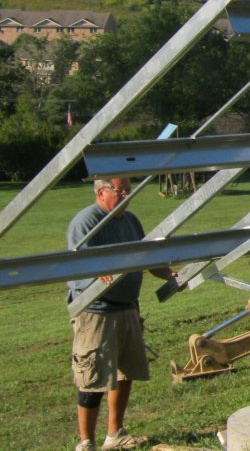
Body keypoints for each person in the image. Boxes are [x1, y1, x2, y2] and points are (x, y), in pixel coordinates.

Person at [67, 178, 178, 451]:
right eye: (122, 191)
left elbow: (145, 257)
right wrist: (95, 271)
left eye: (131, 190)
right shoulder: (85, 222)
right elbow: (76, 263)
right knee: (92, 379)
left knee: (124, 373)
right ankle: (86, 442)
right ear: (101, 192)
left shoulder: (131, 220)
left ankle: (114, 434)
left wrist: (165, 273)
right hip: (97, 312)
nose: (128, 196)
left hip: (128, 307)